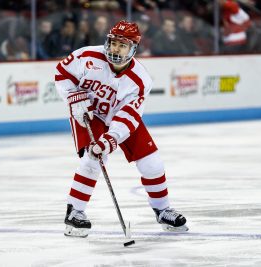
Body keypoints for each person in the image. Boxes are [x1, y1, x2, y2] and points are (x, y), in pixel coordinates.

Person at [54, 20, 188, 237]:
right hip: (90, 114)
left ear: (133, 49)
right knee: (93, 160)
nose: (115, 49)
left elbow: (128, 116)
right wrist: (72, 96)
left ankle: (163, 210)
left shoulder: (140, 80)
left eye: (122, 45)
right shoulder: (87, 56)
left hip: (119, 118)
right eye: (113, 43)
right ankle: (74, 212)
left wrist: (111, 139)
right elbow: (62, 73)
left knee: (152, 163)